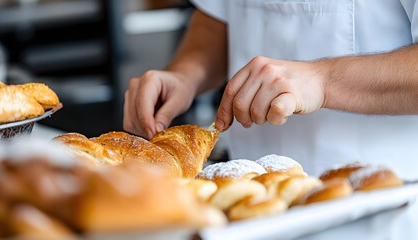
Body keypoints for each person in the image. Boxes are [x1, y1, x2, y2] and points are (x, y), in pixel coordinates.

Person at [124, 1, 418, 239]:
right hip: (243, 205)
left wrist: (321, 80)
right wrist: (185, 75)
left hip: (372, 214)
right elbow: (221, 14)